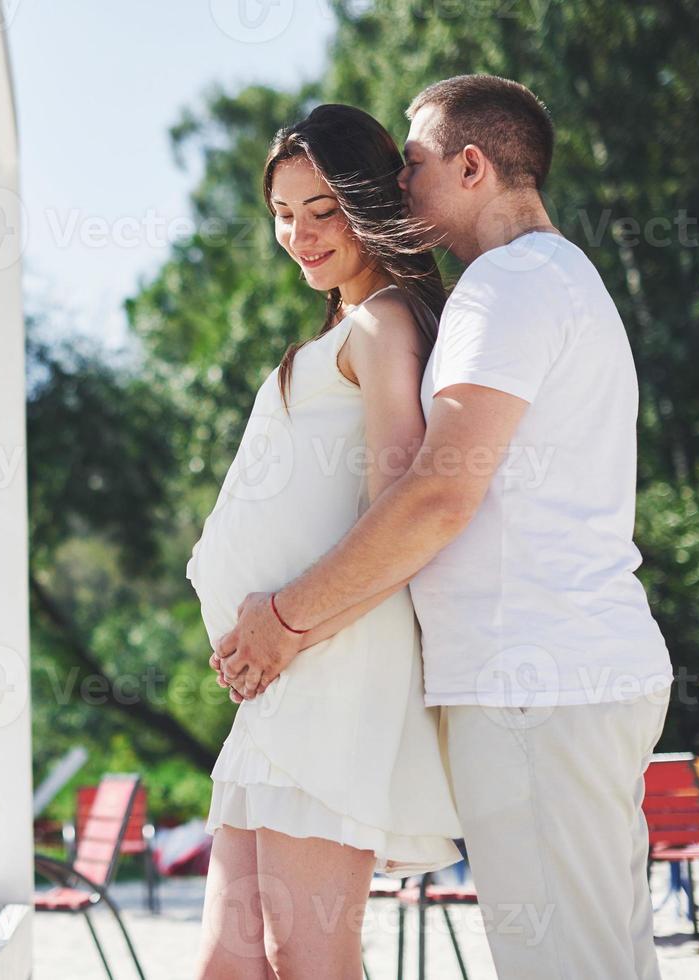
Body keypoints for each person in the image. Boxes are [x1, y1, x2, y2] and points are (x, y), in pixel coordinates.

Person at [213, 74, 674, 979]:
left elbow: (435, 495)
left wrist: (285, 619)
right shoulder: (546, 281)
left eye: (413, 165)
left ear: (471, 167)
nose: (399, 187)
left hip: (534, 680)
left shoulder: (508, 285)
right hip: (556, 677)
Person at [188, 103, 464, 980]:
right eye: (282, 214)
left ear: (368, 200)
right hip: (277, 678)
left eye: (322, 210)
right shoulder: (346, 326)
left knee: (305, 958)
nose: (300, 234)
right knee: (229, 965)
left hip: (328, 663)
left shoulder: (386, 323)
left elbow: (398, 508)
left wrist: (287, 627)